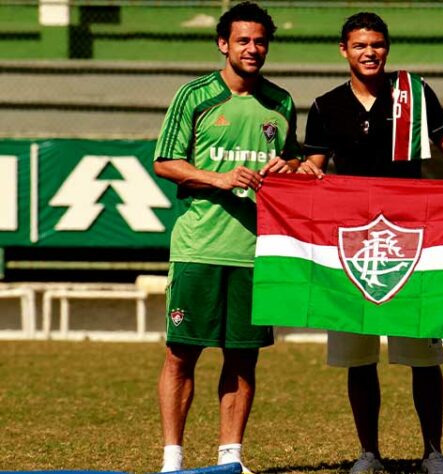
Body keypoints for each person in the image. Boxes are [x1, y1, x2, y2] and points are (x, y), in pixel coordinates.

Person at [297, 12, 443, 474]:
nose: (369, 52)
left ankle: (433, 451)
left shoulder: (414, 93)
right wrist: (306, 171)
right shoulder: (325, 105)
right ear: (343, 51)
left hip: (409, 240)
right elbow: (311, 165)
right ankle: (368, 453)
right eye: (359, 45)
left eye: (376, 44)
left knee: (422, 356)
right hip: (352, 245)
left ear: (388, 47)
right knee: (360, 356)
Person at [152, 2, 299, 472]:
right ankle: (172, 459)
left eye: (259, 41)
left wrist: (289, 166)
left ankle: (230, 459)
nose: (252, 49)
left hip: (256, 252)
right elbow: (164, 162)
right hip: (200, 246)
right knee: (181, 354)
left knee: (243, 358)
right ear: (223, 44)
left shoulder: (282, 102)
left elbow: (294, 162)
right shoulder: (194, 96)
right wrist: (219, 178)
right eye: (243, 41)